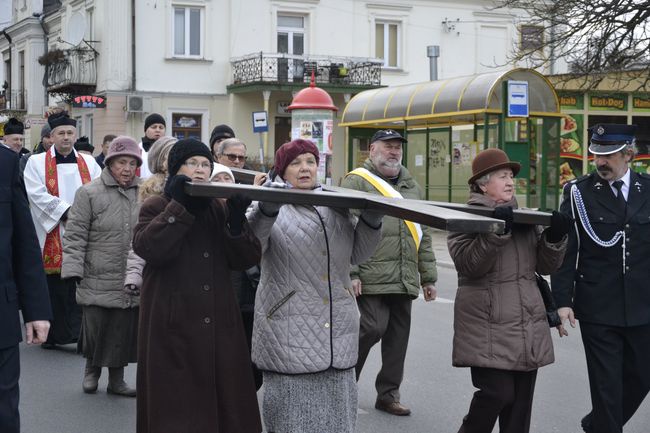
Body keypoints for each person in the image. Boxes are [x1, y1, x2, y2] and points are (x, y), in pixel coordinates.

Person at [248, 139, 383, 433]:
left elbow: (357, 254)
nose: (305, 168)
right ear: (282, 171)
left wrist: (372, 222)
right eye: (296, 163)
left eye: (310, 161)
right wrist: (266, 211)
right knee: (292, 420)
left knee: (337, 420)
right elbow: (250, 249)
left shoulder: (335, 205)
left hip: (338, 328)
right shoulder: (266, 202)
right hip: (288, 328)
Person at [133, 139, 262, 433]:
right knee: (177, 407)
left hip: (217, 321)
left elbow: (245, 258)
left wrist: (236, 222)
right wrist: (180, 208)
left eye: (205, 164)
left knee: (225, 403)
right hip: (172, 323)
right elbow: (150, 248)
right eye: (192, 163)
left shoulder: (217, 208)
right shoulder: (157, 205)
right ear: (176, 169)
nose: (200, 170)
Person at [447, 148, 570, 433]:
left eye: (511, 176)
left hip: (526, 323)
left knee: (519, 411)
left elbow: (545, 266)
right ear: (481, 183)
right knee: (497, 394)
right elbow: (469, 265)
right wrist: (497, 232)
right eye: (502, 176)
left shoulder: (525, 218)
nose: (510, 181)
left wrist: (554, 238)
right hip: (487, 324)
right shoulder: (465, 218)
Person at [551, 124, 650, 433]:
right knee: (606, 384)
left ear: (628, 154)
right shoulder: (578, 192)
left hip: (643, 304)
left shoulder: (647, 189)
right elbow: (567, 249)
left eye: (608, 156)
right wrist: (562, 301)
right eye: (596, 155)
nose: (600, 162)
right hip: (597, 305)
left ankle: (597, 425)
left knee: (642, 376)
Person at [340, 129, 437, 416]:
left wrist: (428, 276)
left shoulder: (410, 185)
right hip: (370, 272)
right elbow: (346, 226)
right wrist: (352, 271)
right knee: (371, 327)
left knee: (398, 338)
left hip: (403, 272)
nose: (394, 152)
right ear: (372, 150)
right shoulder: (357, 180)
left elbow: (424, 231)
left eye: (397, 148)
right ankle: (343, 385)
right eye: (388, 147)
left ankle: (389, 394)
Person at [62, 136, 142, 397]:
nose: (127, 168)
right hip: (96, 272)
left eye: (132, 163)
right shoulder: (89, 192)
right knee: (96, 327)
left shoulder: (145, 193)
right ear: (110, 163)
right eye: (121, 162)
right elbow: (75, 234)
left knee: (121, 328)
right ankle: (91, 370)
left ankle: (117, 381)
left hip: (129, 274)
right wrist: (73, 269)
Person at [23, 111, 102, 349]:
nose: (66, 137)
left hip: (83, 229)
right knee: (56, 285)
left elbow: (98, 191)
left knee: (79, 282)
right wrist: (66, 213)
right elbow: (35, 194)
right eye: (61, 133)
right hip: (53, 230)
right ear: (52, 136)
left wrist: (82, 216)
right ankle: (56, 334)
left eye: (70, 133)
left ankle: (80, 333)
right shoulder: (36, 162)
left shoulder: (89, 162)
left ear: (75, 135)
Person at [0, 145, 52, 433]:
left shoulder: (6, 163)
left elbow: (24, 240)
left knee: (4, 411)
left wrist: (36, 310)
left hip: (1, 313)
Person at [123, 136, 177, 307]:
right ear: (162, 163)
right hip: (161, 267)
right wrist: (134, 274)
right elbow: (141, 240)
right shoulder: (152, 194)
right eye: (173, 155)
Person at [138, 113, 166, 179]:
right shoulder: (138, 149)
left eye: (161, 127)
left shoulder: (168, 149)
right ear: (145, 130)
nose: (158, 130)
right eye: (154, 127)